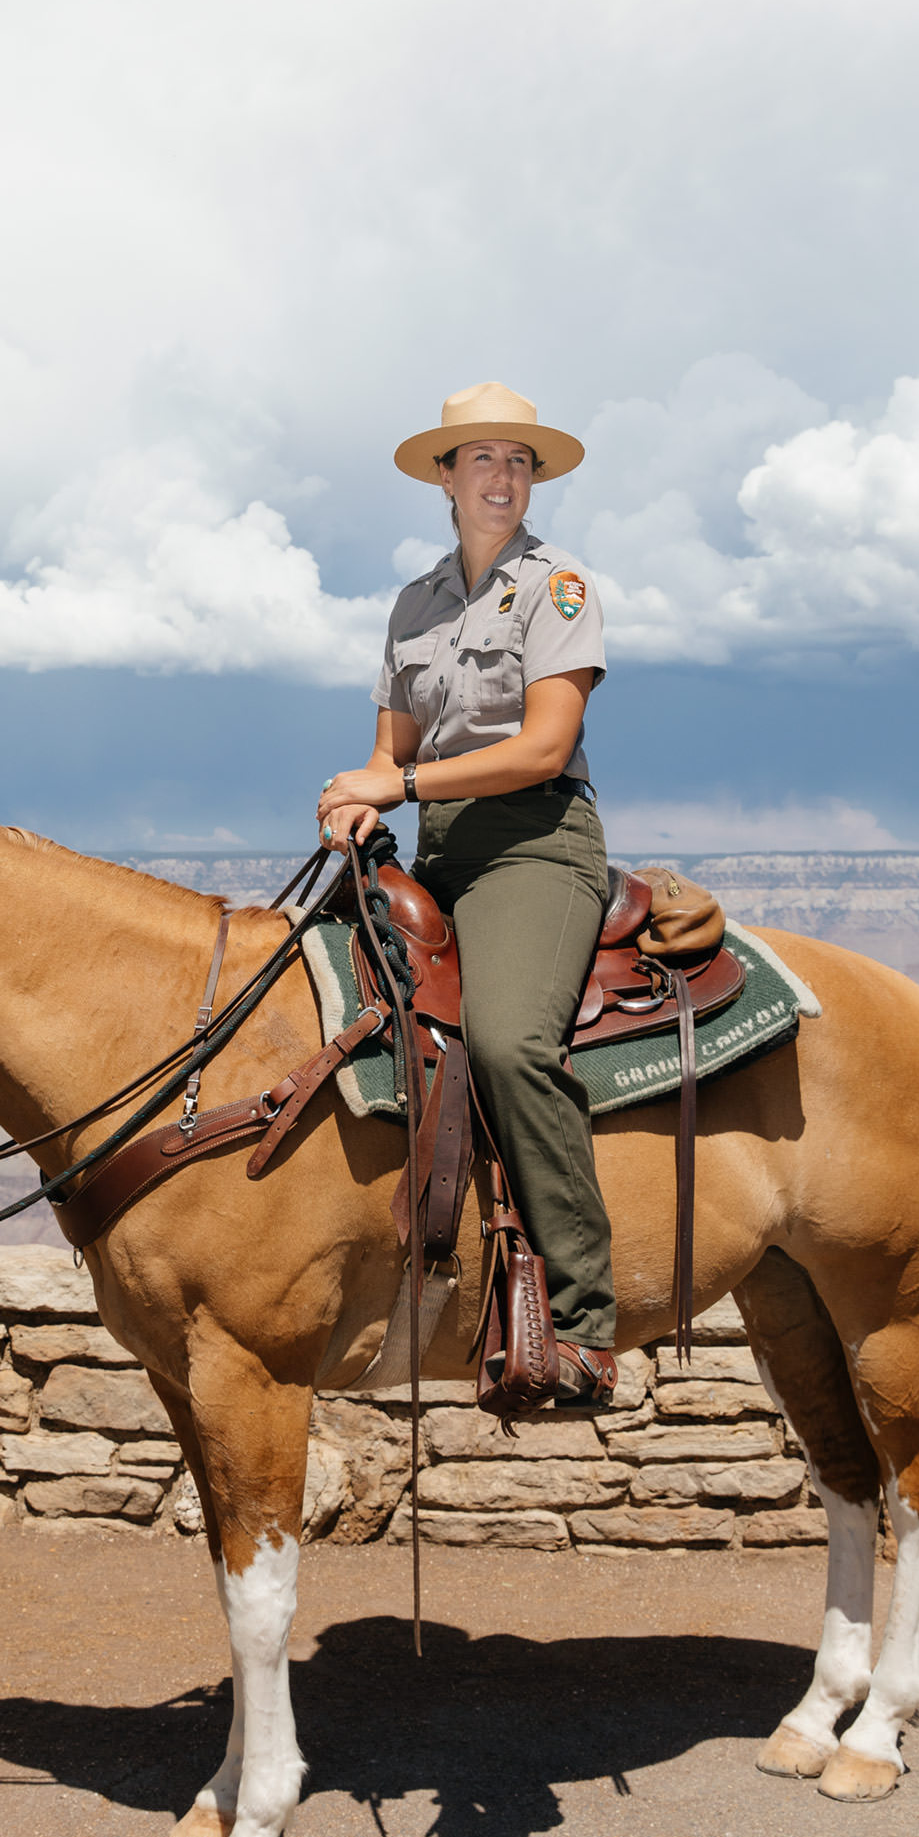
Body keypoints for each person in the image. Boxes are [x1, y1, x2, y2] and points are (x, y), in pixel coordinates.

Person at [317, 381, 617, 1407]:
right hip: (436, 842)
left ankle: (580, 1318)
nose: (503, 476)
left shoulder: (558, 587)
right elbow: (387, 749)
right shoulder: (414, 605)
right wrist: (359, 806)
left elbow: (543, 747)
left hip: (535, 843)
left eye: (519, 461)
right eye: (481, 458)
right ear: (443, 479)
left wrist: (393, 785)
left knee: (506, 1045)